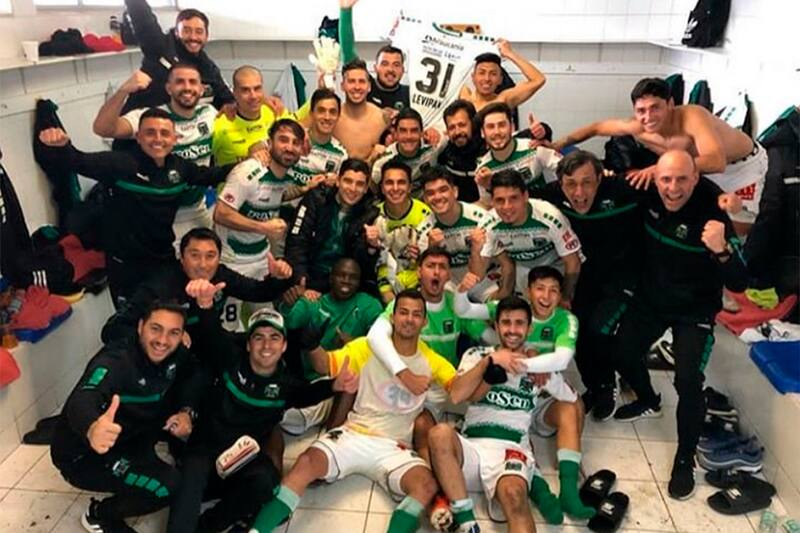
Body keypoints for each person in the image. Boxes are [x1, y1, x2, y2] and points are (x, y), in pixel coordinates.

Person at [249, 290, 482, 533]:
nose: (409, 319)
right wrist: (313, 345)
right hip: (355, 433)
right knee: (305, 462)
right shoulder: (365, 347)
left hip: (395, 445)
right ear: (392, 317)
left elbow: (458, 392)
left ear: (424, 321)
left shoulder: (432, 360)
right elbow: (325, 365)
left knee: (426, 485)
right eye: (403, 312)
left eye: (416, 315)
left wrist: (486, 364)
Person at [611, 150, 748, 500]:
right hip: (651, 299)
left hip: (695, 310)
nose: (673, 188)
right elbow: (598, 182)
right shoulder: (647, 191)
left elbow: (740, 281)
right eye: (666, 179)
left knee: (688, 381)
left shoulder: (712, 210)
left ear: (696, 178)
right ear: (655, 178)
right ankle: (648, 399)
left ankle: (685, 458)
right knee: (622, 352)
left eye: (682, 179)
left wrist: (721, 249)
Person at [166, 291, 358, 533]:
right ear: (248, 344)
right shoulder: (229, 360)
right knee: (189, 482)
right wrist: (205, 307)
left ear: (284, 345)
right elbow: (212, 334)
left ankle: (207, 528)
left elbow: (305, 395)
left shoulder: (285, 385)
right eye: (259, 337)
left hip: (239, 462)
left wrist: (334, 386)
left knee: (266, 482)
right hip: (203, 455)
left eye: (274, 338)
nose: (267, 345)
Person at [37, 113, 236, 308]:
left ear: (175, 139)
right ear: (138, 137)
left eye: (164, 133)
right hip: (125, 266)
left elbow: (212, 174)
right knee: (131, 322)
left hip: (163, 261)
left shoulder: (180, 168)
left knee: (166, 317)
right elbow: (78, 161)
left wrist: (249, 162)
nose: (158, 139)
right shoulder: (121, 164)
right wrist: (61, 146)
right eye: (150, 133)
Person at [427, 293, 587, 533]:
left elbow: (572, 400)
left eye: (519, 323)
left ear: (529, 328)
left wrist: (544, 370)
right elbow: (457, 396)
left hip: (510, 450)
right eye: (506, 322)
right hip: (471, 447)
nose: (512, 330)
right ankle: (467, 522)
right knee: (439, 433)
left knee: (514, 497)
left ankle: (550, 488)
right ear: (496, 325)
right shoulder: (477, 355)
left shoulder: (539, 367)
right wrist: (490, 361)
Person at [51, 300, 204, 532]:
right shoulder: (116, 361)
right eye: (156, 329)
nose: (162, 340)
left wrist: (186, 412)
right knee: (167, 487)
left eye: (173, 332)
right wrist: (92, 427)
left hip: (131, 437)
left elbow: (194, 374)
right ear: (140, 326)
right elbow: (83, 398)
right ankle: (99, 514)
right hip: (86, 454)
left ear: (182, 335)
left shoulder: (175, 353)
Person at [553, 77, 768, 228]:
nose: (648, 117)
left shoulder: (693, 117)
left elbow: (716, 161)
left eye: (655, 107)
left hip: (741, 168)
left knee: (738, 228)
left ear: (670, 104)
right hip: (693, 171)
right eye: (641, 111)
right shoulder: (637, 127)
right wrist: (557, 144)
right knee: (701, 221)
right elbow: (596, 128)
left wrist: (659, 169)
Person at [534, 150, 645, 420]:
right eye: (571, 184)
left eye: (587, 182)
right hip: (582, 276)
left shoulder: (622, 189)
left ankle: (610, 385)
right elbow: (514, 198)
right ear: (560, 183)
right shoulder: (551, 195)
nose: (579, 192)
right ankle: (595, 386)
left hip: (624, 278)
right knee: (577, 330)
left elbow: (672, 184)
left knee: (599, 329)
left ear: (600, 178)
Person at [100, 228, 291, 364]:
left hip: (210, 341)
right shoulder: (159, 287)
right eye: (194, 255)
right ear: (182, 259)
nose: (203, 265)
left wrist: (278, 278)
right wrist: (168, 334)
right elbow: (112, 330)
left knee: (261, 344)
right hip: (173, 356)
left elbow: (257, 292)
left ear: (219, 258)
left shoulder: (220, 275)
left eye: (210, 256)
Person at [93, 64, 218, 252]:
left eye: (192, 82)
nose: (187, 87)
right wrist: (123, 91)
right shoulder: (151, 118)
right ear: (168, 88)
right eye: (179, 82)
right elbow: (103, 128)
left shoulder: (210, 114)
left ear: (201, 89)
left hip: (198, 211)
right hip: (160, 216)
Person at [416, 167, 515, 299]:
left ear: (455, 192)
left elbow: (507, 264)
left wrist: (502, 297)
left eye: (443, 190)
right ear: (425, 199)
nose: (437, 197)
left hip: (487, 281)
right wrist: (431, 249)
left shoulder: (482, 220)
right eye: (430, 193)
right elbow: (426, 277)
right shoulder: (424, 232)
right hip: (450, 286)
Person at [285, 158, 379, 296]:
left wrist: (371, 247)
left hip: (345, 285)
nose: (353, 189)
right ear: (338, 181)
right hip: (309, 277)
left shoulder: (370, 214)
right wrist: (301, 282)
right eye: (348, 181)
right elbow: (297, 242)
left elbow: (363, 267)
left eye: (359, 184)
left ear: (366, 188)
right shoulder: (316, 199)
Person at [483, 169, 582, 300]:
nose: (507, 207)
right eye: (500, 200)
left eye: (514, 198)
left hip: (555, 267)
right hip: (521, 269)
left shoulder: (550, 217)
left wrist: (565, 298)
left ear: (525, 196)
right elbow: (485, 265)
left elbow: (572, 262)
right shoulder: (487, 224)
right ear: (492, 201)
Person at [122, 1, 233, 112]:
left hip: (182, 120)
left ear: (206, 36)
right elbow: (142, 16)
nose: (193, 37)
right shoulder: (159, 47)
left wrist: (229, 105)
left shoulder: (208, 67)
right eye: (186, 31)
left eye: (199, 32)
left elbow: (225, 98)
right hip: (141, 117)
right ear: (176, 32)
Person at [363, 159, 432, 303]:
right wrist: (370, 246)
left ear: (410, 187)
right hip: (383, 282)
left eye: (401, 182)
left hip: (418, 282)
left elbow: (431, 260)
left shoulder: (425, 214)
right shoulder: (373, 215)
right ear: (382, 188)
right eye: (389, 183)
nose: (395, 188)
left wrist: (421, 255)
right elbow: (374, 263)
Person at [474, 102, 562, 204]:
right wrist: (489, 187)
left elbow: (568, 171)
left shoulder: (533, 148)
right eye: (490, 127)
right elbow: (488, 205)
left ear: (512, 126)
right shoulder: (483, 170)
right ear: (482, 132)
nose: (497, 132)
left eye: (502, 125)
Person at [212, 66, 295, 166]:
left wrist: (264, 144)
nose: (253, 96)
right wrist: (248, 159)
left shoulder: (275, 111)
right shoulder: (220, 124)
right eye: (245, 90)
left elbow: (302, 131)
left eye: (257, 88)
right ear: (234, 93)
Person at [339, 0, 410, 111]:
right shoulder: (364, 86)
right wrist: (345, 11)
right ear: (375, 68)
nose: (390, 69)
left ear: (403, 70)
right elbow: (347, 51)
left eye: (396, 65)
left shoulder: (410, 94)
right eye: (385, 64)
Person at [371, 107, 447, 196]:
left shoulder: (434, 145)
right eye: (403, 131)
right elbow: (374, 188)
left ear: (422, 132)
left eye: (414, 131)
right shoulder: (384, 160)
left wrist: (436, 131)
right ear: (395, 134)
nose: (408, 136)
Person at [286, 88, 349, 188]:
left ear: (338, 116)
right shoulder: (292, 138)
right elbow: (264, 145)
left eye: (332, 112)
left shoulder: (341, 154)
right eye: (321, 111)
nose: (327, 117)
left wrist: (336, 183)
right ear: (311, 114)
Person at [333, 58, 394, 161]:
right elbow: (305, 129)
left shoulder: (382, 117)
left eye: (362, 81)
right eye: (351, 81)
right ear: (342, 86)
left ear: (369, 86)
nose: (357, 87)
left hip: (370, 171)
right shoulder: (332, 118)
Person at [459, 42, 546, 113]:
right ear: (473, 77)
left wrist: (509, 53)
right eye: (482, 73)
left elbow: (538, 79)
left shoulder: (503, 100)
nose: (487, 78)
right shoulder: (465, 99)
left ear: (500, 79)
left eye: (493, 74)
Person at [437, 99, 487, 202]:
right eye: (452, 127)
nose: (457, 132)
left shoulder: (488, 148)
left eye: (462, 125)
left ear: (473, 124)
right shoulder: (445, 153)